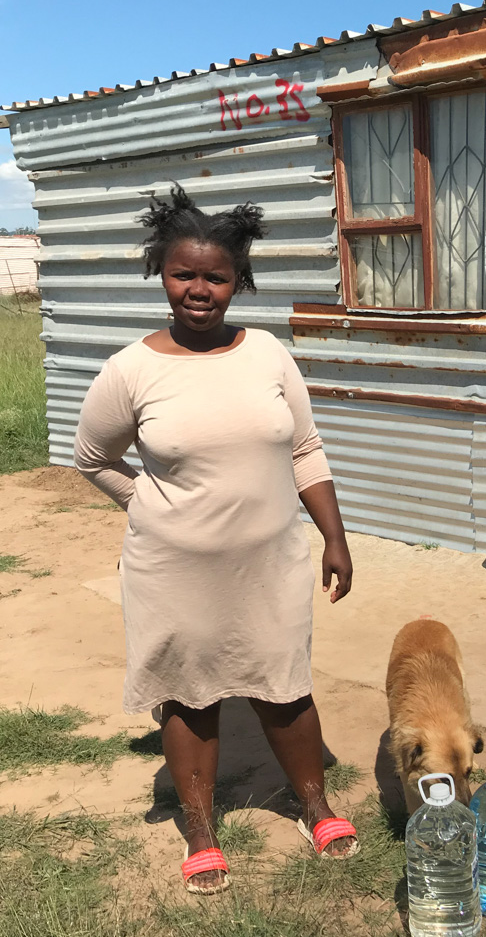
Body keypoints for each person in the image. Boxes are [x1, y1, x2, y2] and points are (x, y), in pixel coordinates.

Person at [74, 183, 358, 895]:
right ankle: (201, 829)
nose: (199, 289)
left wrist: (335, 537)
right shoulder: (131, 370)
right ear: (160, 274)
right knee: (190, 694)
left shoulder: (266, 354)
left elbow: (305, 449)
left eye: (216, 276)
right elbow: (92, 458)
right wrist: (148, 505)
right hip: (173, 568)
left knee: (284, 686)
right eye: (184, 274)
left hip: (270, 559)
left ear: (239, 281)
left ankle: (314, 804)